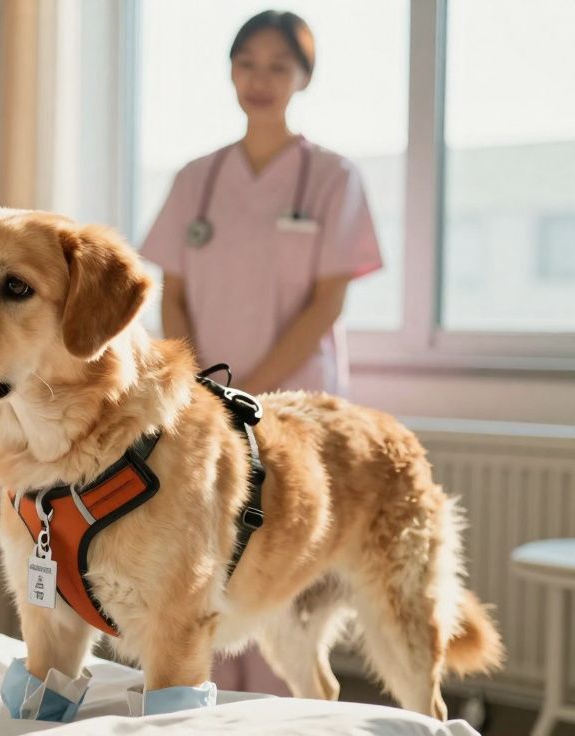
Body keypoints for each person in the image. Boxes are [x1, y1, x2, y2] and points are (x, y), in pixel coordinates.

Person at [140, 11, 383, 694]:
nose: (261, 79)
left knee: (277, 558)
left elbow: (326, 304)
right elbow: (174, 292)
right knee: (205, 554)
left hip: (291, 404)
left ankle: (280, 709)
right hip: (206, 403)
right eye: (248, 63)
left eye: (280, 66)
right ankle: (201, 700)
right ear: (229, 71)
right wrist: (202, 383)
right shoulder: (199, 179)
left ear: (303, 79)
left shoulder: (332, 178)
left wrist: (248, 388)